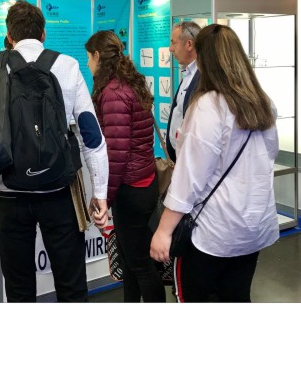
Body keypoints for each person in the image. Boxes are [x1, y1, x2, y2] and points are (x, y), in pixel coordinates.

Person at [0, 0, 109, 302]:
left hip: (8, 194)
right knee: (71, 284)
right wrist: (100, 192)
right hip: (59, 192)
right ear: (43, 33)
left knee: (19, 288)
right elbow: (91, 135)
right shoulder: (67, 65)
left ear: (9, 36)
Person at [150, 23, 280, 302]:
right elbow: (269, 155)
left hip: (213, 231)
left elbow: (189, 177)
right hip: (253, 226)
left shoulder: (208, 105)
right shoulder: (263, 102)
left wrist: (163, 230)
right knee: (237, 297)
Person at [85, 30, 165, 303]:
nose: (87, 63)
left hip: (131, 189)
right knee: (131, 260)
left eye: (89, 57)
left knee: (139, 263)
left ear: (98, 56)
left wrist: (104, 197)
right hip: (142, 183)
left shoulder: (113, 92)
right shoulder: (130, 82)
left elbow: (117, 154)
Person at [166, 21, 202, 163]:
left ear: (189, 44)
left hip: (191, 160)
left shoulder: (204, 77)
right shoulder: (188, 73)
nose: (170, 49)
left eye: (174, 43)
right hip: (179, 158)